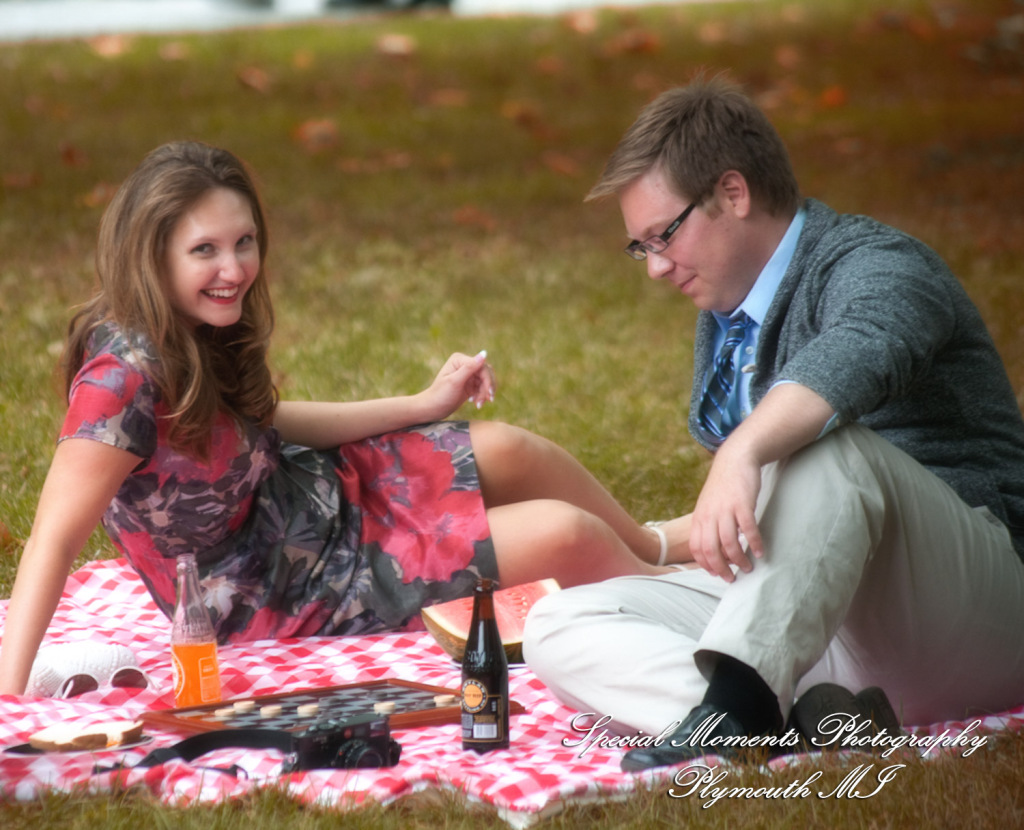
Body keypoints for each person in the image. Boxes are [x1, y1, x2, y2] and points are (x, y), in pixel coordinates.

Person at [0, 140, 680, 697]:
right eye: (205, 250)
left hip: (309, 497)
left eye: (244, 242)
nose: (234, 268)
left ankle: (657, 552)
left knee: (510, 451)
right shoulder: (118, 383)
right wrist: (9, 696)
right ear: (153, 258)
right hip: (278, 587)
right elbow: (53, 540)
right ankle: (695, 605)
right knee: (563, 536)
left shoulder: (198, 324)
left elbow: (264, 423)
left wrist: (421, 405)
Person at [522, 75, 1024, 770]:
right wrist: (665, 541)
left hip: (974, 608)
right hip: (829, 625)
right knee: (560, 623)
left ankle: (738, 706)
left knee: (826, 444)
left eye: (662, 236)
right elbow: (784, 520)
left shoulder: (881, 265)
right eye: (639, 248)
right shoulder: (727, 315)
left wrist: (743, 449)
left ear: (733, 193)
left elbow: (859, 354)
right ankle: (794, 724)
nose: (656, 269)